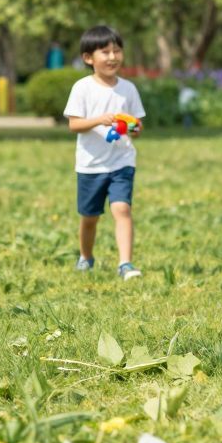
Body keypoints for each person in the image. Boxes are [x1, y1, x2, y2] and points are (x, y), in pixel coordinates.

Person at [62, 25, 147, 278]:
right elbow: (74, 124)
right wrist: (99, 120)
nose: (113, 57)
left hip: (122, 162)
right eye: (105, 52)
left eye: (117, 51)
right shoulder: (82, 88)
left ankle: (125, 264)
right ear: (89, 58)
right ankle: (86, 257)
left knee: (122, 209)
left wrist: (133, 127)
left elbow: (138, 125)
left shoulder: (128, 88)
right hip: (91, 165)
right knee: (90, 217)